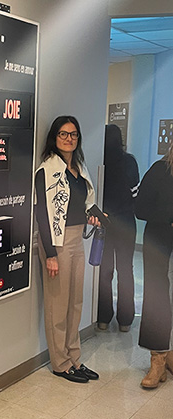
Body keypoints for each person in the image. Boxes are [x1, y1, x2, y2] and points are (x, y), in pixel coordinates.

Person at [35, 115, 100, 383]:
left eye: (73, 134)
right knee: (58, 305)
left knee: (75, 302)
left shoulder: (79, 170)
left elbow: (81, 206)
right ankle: (60, 363)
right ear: (55, 137)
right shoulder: (46, 171)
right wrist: (50, 255)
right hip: (56, 242)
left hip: (76, 240)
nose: (69, 139)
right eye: (63, 134)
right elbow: (42, 215)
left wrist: (93, 215)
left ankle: (75, 358)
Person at [135, 145, 173, 389]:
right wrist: (169, 218)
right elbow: (140, 208)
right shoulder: (159, 170)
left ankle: (169, 355)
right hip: (158, 239)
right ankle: (157, 359)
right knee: (157, 298)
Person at [97, 124, 139, 332]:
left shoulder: (98, 161)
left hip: (103, 223)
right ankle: (125, 320)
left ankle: (102, 318)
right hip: (126, 223)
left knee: (104, 271)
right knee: (126, 270)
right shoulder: (129, 161)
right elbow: (135, 193)